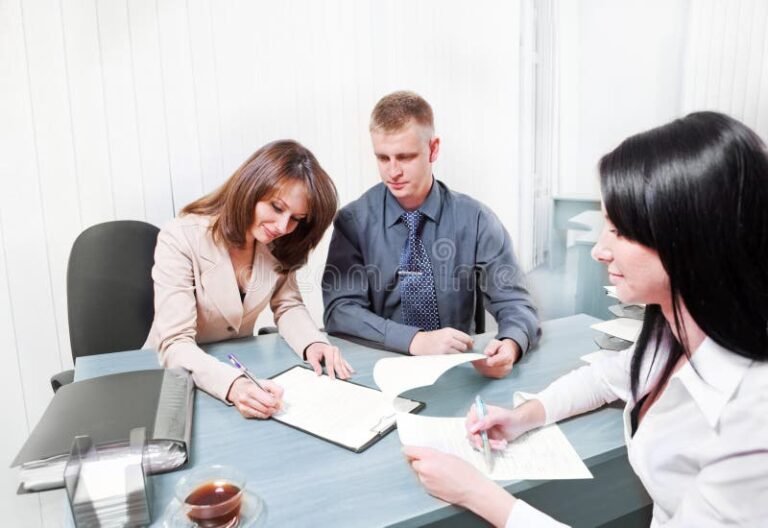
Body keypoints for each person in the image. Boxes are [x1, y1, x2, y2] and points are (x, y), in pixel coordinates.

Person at [403, 112, 768, 526]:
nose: (598, 250)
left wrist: (479, 495)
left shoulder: (751, 423)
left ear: (691, 239)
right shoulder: (676, 330)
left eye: (619, 231)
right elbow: (606, 376)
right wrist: (524, 416)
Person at [322, 91, 540, 378]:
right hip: (383, 368)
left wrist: (511, 343)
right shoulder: (354, 222)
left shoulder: (476, 220)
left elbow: (514, 302)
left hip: (459, 370)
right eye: (383, 158)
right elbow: (341, 310)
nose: (393, 171)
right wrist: (415, 341)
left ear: (433, 149)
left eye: (405, 157)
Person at [145, 140, 353, 419]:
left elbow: (288, 304)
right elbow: (174, 343)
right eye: (277, 208)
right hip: (173, 378)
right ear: (252, 188)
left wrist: (313, 343)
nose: (283, 227)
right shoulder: (181, 237)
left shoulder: (279, 244)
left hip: (235, 370)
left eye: (296, 218)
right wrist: (233, 384)